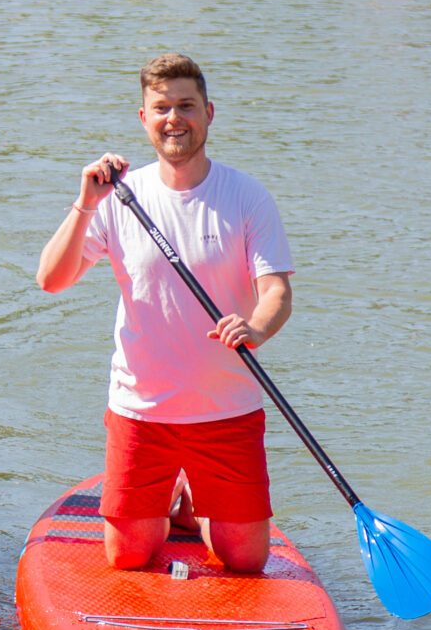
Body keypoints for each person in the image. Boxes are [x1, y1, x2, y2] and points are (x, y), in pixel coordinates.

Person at [35, 54, 294, 577]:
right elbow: (51, 280)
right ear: (144, 119)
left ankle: (192, 505)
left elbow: (276, 293)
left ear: (209, 113)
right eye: (162, 108)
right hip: (142, 408)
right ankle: (177, 494)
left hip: (226, 409)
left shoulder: (246, 197)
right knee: (127, 556)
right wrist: (85, 202)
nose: (174, 118)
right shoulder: (119, 197)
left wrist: (257, 326)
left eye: (186, 106)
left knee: (244, 560)